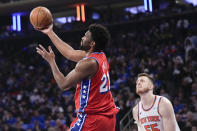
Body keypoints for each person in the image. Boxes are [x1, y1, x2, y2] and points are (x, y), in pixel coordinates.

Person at [35, 23, 119, 131]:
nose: (82, 38)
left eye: (85, 36)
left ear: (92, 43)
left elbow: (63, 84)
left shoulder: (88, 63)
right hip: (108, 117)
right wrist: (50, 33)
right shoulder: (100, 55)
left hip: (92, 119)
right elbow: (70, 53)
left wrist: (51, 61)